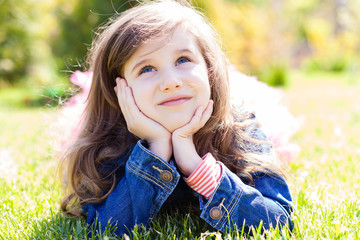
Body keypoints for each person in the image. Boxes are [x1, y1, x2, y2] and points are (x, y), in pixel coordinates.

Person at [60, 0, 294, 236]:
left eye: (183, 60)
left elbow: (278, 223)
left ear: (209, 69)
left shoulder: (240, 128)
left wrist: (195, 166)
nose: (171, 81)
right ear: (119, 88)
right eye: (147, 69)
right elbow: (107, 229)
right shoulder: (110, 142)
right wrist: (157, 148)